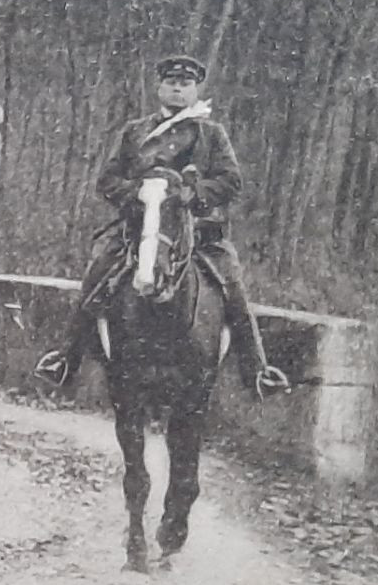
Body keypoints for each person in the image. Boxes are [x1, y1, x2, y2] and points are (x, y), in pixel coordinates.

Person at [35, 55, 289, 398]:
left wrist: (193, 194)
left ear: (196, 90)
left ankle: (257, 371)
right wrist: (135, 193)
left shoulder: (211, 134)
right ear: (159, 88)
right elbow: (108, 179)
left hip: (200, 234)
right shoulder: (136, 132)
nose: (177, 89)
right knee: (96, 274)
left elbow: (231, 181)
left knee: (234, 286)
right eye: (171, 82)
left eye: (185, 84)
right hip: (139, 231)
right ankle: (66, 359)